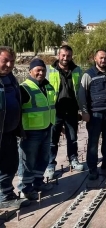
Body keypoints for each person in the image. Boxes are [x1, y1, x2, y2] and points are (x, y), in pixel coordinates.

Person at [78, 50, 106, 181]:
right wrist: (84, 112)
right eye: (101, 58)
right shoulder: (88, 75)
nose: (103, 60)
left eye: (105, 58)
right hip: (95, 114)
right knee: (93, 143)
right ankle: (92, 169)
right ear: (95, 59)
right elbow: (82, 95)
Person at [18, 58, 56, 200]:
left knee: (43, 157)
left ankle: (38, 182)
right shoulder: (24, 88)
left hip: (47, 127)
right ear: (30, 71)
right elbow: (18, 110)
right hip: (31, 131)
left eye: (43, 70)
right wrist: (19, 129)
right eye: (37, 70)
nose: (41, 73)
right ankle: (25, 189)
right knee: (28, 160)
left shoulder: (47, 86)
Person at [45, 45, 83, 180]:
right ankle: (50, 165)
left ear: (71, 56)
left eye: (68, 56)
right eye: (63, 55)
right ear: (58, 56)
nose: (65, 58)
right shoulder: (50, 70)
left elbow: (81, 91)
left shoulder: (77, 70)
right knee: (52, 140)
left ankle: (73, 159)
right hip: (55, 111)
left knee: (72, 138)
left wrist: (82, 109)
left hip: (72, 110)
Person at [0, 46, 30, 209]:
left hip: (10, 131)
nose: (10, 64)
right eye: (5, 60)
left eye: (12, 61)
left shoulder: (11, 78)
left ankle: (6, 195)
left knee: (10, 164)